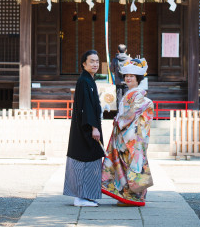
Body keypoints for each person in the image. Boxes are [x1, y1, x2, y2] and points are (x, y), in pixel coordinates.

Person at [101, 58, 154, 206]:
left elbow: (131, 115)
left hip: (131, 137)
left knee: (131, 166)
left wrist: (119, 121)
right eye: (127, 76)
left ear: (138, 78)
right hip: (126, 136)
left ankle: (134, 196)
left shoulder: (137, 95)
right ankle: (128, 196)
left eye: (132, 76)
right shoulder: (131, 93)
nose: (128, 78)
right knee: (125, 167)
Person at [63, 50, 104, 207]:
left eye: (97, 61)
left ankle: (86, 195)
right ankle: (80, 197)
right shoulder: (83, 81)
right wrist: (94, 127)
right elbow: (86, 107)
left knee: (91, 159)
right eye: (91, 61)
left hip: (89, 126)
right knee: (84, 160)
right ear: (84, 64)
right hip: (85, 129)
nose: (95, 64)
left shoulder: (89, 80)